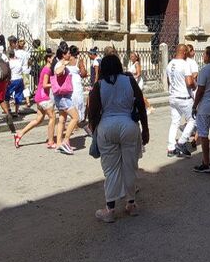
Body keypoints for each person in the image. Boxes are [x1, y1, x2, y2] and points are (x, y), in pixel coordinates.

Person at [86, 55, 150, 223]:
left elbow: (92, 111)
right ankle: (131, 204)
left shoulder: (99, 85)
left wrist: (94, 130)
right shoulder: (129, 81)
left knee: (111, 169)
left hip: (107, 127)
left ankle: (110, 209)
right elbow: (141, 105)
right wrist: (145, 129)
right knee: (130, 166)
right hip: (128, 126)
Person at [166, 44, 197, 158]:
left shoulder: (170, 64)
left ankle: (171, 148)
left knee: (174, 122)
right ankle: (182, 142)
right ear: (184, 53)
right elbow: (189, 82)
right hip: (184, 98)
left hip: (173, 96)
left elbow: (169, 81)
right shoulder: (185, 64)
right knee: (193, 120)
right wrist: (194, 84)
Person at [52, 46, 81, 155]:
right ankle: (66, 140)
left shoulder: (60, 63)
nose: (70, 55)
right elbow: (58, 72)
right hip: (63, 97)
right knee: (75, 117)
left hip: (62, 96)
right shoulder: (60, 64)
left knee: (62, 120)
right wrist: (64, 64)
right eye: (68, 53)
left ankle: (59, 143)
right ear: (63, 55)